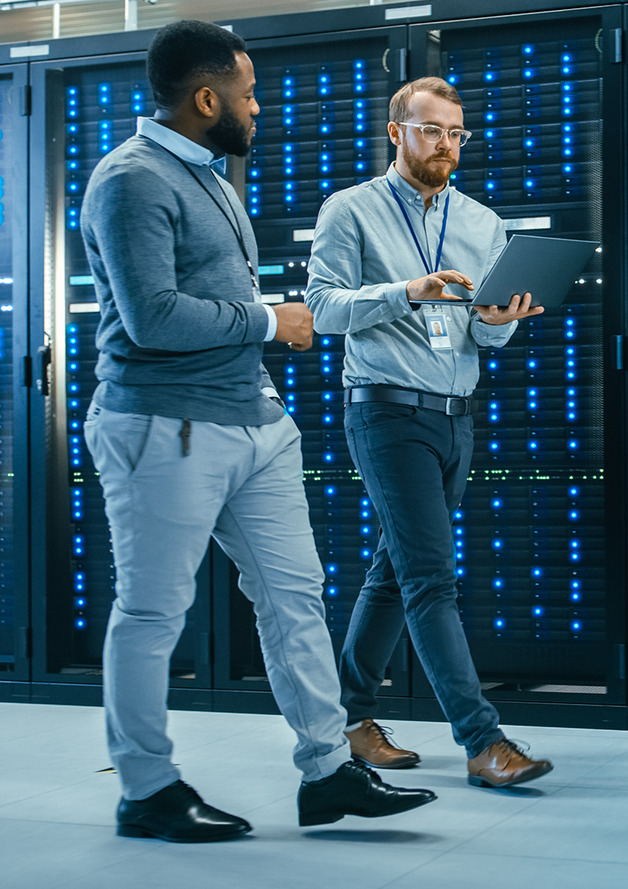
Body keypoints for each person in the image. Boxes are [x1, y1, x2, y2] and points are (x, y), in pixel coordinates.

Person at [80, 20, 436, 842]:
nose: (259, 106)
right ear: (207, 99)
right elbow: (153, 318)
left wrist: (268, 375)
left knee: (295, 597)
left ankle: (327, 771)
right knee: (151, 612)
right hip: (163, 426)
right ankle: (146, 788)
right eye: (246, 93)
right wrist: (272, 321)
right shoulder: (130, 180)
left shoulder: (211, 176)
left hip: (253, 424)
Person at [306, 77, 552, 788]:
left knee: (396, 568)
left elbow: (478, 329)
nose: (446, 145)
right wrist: (404, 292)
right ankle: (483, 741)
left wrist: (497, 324)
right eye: (432, 130)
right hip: (384, 410)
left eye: (456, 134)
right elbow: (322, 309)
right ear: (396, 132)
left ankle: (348, 717)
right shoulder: (349, 210)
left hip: (456, 416)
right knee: (430, 578)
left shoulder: (481, 221)